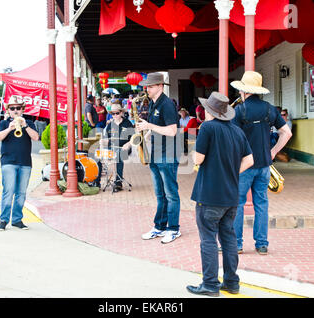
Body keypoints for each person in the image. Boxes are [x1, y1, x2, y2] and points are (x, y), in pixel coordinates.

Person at [186, 92, 254, 297]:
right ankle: (232, 283)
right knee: (229, 239)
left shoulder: (207, 128)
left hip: (209, 194)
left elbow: (198, 159)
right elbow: (249, 160)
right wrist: (232, 172)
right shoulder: (237, 131)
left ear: (211, 112)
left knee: (208, 239)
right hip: (231, 194)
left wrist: (191, 153)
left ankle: (209, 284)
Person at [231, 71, 292, 255]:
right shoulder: (270, 109)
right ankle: (262, 244)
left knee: (238, 203)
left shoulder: (239, 111)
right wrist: (273, 152)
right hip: (265, 165)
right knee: (261, 203)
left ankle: (237, 244)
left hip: (244, 165)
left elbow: (232, 139)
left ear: (244, 91)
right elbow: (286, 133)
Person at [137, 72, 181, 244]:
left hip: (168, 155)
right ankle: (159, 226)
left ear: (161, 87)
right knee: (160, 194)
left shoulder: (167, 104)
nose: (147, 89)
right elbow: (159, 127)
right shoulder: (154, 104)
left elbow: (172, 131)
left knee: (171, 194)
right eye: (147, 86)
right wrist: (146, 133)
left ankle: (174, 228)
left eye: (151, 86)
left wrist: (149, 125)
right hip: (156, 154)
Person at [0, 96, 39, 231]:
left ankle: (17, 220)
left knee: (21, 193)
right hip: (8, 161)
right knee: (8, 191)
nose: (15, 111)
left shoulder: (29, 123)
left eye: (18, 108)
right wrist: (9, 128)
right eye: (12, 108)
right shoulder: (3, 123)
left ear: (22, 109)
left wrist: (24, 126)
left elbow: (36, 137)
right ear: (8, 110)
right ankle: (3, 220)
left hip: (25, 162)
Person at [100, 103, 133, 191]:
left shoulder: (127, 123)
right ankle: (96, 182)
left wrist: (128, 144)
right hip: (112, 148)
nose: (115, 115)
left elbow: (134, 138)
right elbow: (106, 139)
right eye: (113, 114)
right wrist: (103, 142)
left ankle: (118, 183)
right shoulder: (110, 125)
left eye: (117, 113)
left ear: (121, 113)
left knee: (119, 156)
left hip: (124, 148)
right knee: (97, 155)